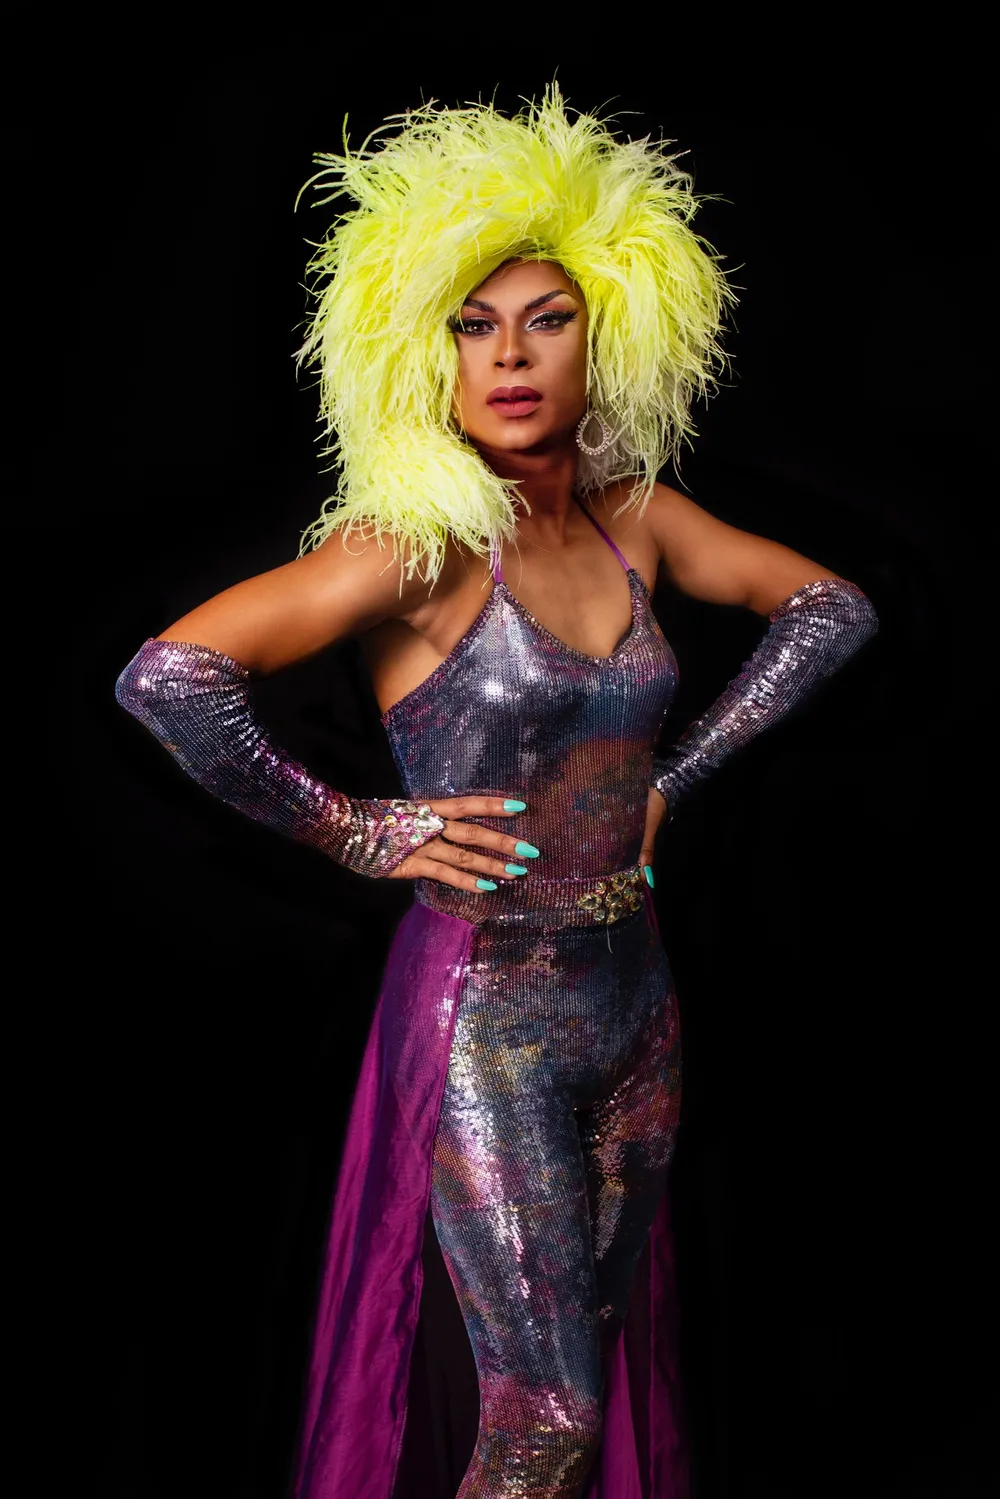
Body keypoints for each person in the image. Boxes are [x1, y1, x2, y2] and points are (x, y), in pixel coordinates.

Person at [115, 88, 878, 1499]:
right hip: (489, 1018)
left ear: (611, 337)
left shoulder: (637, 518)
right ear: (429, 352)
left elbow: (832, 610)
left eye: (547, 319)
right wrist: (359, 829)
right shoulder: (417, 544)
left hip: (636, 1004)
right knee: (546, 1420)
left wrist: (676, 779)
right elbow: (168, 678)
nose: (512, 355)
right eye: (474, 325)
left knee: (603, 1370)